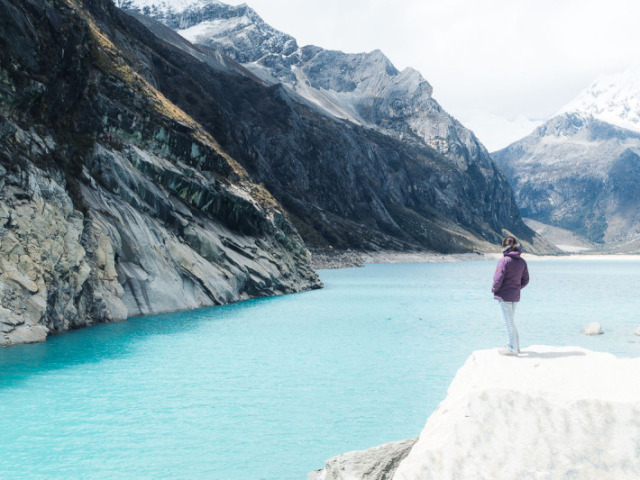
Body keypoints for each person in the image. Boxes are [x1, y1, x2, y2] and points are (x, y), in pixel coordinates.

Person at [492, 235, 529, 356]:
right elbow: (526, 280)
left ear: (504, 247)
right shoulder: (522, 261)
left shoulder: (503, 261)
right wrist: (517, 288)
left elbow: (498, 279)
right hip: (515, 296)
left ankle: (512, 349)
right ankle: (515, 346)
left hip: (504, 296)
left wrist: (494, 289)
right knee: (511, 321)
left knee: (508, 322)